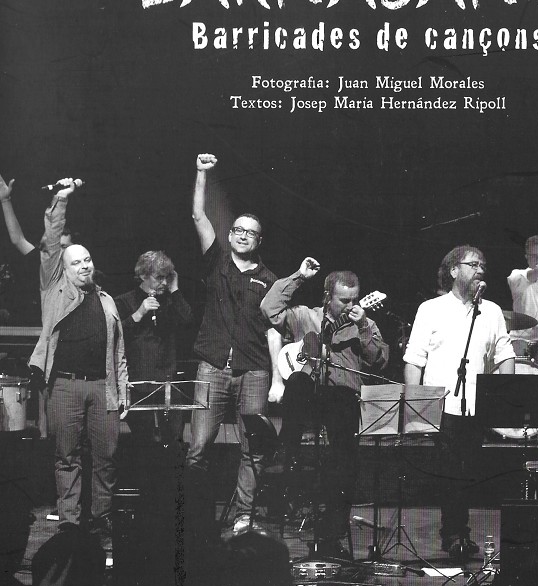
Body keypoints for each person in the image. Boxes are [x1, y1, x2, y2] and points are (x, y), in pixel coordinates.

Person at [261, 257, 389, 557]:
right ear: (328, 297)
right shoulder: (306, 317)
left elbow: (380, 361)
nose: (350, 305)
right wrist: (299, 276)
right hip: (308, 399)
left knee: (344, 463)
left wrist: (363, 327)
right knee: (297, 381)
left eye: (355, 299)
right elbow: (269, 309)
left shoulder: (365, 324)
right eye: (344, 300)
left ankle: (331, 536)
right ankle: (288, 450)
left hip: (343, 401)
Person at [27, 179, 128, 552]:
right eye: (76, 262)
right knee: (67, 457)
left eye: (87, 260)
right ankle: (70, 528)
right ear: (63, 268)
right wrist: (61, 200)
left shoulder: (107, 300)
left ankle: (101, 524)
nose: (84, 266)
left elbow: (118, 353)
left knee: (106, 459)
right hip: (65, 386)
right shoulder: (54, 287)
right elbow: (52, 242)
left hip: (102, 387)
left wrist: (122, 390)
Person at [185, 154, 281, 535]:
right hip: (211, 368)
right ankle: (194, 517)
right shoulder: (216, 262)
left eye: (250, 233)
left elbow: (274, 330)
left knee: (252, 450)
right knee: (198, 447)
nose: (242, 235)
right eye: (237, 230)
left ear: (259, 241)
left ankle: (244, 517)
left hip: (254, 371)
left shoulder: (270, 280)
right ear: (229, 236)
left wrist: (277, 379)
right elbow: (199, 216)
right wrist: (201, 174)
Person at [403, 245, 515, 560]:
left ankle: (459, 532)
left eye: (482, 265)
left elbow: (505, 354)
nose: (480, 270)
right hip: (442, 405)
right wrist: (416, 405)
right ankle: (454, 534)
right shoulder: (431, 309)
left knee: (469, 472)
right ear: (453, 270)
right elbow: (414, 359)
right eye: (473, 264)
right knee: (450, 472)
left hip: (477, 405)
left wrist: (504, 396)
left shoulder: (491, 311)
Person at [115, 250, 194, 446]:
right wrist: (138, 313)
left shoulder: (170, 299)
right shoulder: (124, 301)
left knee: (173, 440)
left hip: (168, 381)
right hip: (138, 383)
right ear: (143, 276)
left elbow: (188, 321)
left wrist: (175, 290)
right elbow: (115, 336)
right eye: (159, 277)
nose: (164, 283)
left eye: (167, 277)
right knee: (144, 442)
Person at [0, 172, 76, 325]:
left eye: (64, 247)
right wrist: (5, 200)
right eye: (57, 246)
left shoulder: (80, 272)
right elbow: (18, 239)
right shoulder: (42, 262)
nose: (59, 251)